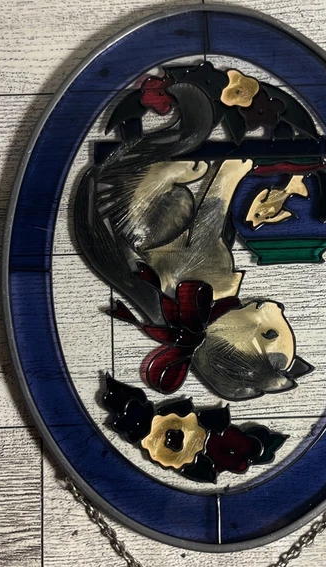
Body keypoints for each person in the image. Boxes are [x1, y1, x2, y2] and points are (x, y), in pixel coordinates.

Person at [74, 81, 311, 401]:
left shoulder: (211, 289)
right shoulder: (176, 316)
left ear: (241, 344)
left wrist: (231, 172)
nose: (276, 309)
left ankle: (177, 141)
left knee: (183, 199)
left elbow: (207, 225)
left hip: (133, 208)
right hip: (137, 222)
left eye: (269, 332)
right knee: (183, 200)